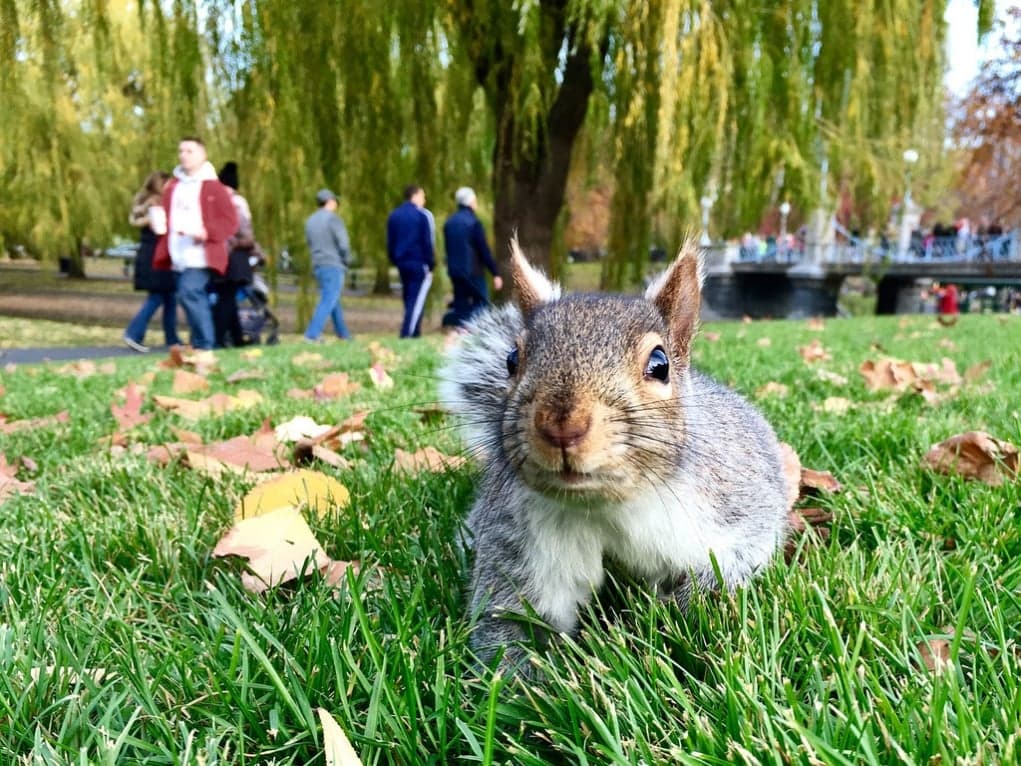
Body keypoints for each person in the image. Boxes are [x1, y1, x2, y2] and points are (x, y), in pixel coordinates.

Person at [152, 136, 238, 351]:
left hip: (201, 253)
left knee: (190, 291)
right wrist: (159, 222)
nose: (184, 156)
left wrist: (206, 232)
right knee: (187, 297)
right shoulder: (174, 186)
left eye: (189, 151)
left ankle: (206, 344)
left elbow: (230, 221)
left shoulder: (214, 187)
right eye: (181, 151)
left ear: (202, 155)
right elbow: (166, 215)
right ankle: (198, 343)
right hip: (177, 251)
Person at [123, 171, 181, 352]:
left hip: (153, 254)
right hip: (157, 255)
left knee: (169, 297)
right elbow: (161, 228)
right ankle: (133, 333)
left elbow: (136, 220)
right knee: (157, 296)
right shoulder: (157, 204)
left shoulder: (143, 203)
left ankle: (172, 339)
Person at [209, 161, 256, 347]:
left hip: (218, 256)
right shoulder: (238, 202)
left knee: (226, 297)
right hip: (236, 257)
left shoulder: (213, 200)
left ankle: (237, 338)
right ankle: (218, 339)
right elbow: (246, 233)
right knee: (227, 298)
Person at [442, 186, 502, 328]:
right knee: (482, 303)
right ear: (470, 202)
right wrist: (495, 273)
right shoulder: (473, 223)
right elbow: (483, 250)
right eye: (475, 200)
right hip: (473, 271)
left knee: (461, 305)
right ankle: (470, 329)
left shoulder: (449, 223)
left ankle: (460, 330)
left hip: (455, 271)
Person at [303, 188, 353, 342]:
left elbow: (310, 243)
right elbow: (343, 244)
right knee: (329, 298)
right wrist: (346, 260)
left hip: (318, 264)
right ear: (330, 201)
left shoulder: (310, 221)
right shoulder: (333, 219)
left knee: (333, 299)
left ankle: (343, 334)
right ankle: (312, 334)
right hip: (333, 263)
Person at [386, 185, 435, 338]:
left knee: (408, 297)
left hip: (401, 263)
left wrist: (394, 259)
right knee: (416, 299)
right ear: (415, 196)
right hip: (418, 262)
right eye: (423, 196)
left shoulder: (394, 215)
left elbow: (390, 242)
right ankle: (407, 332)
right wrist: (430, 263)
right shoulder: (422, 216)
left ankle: (415, 332)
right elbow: (427, 242)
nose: (424, 200)